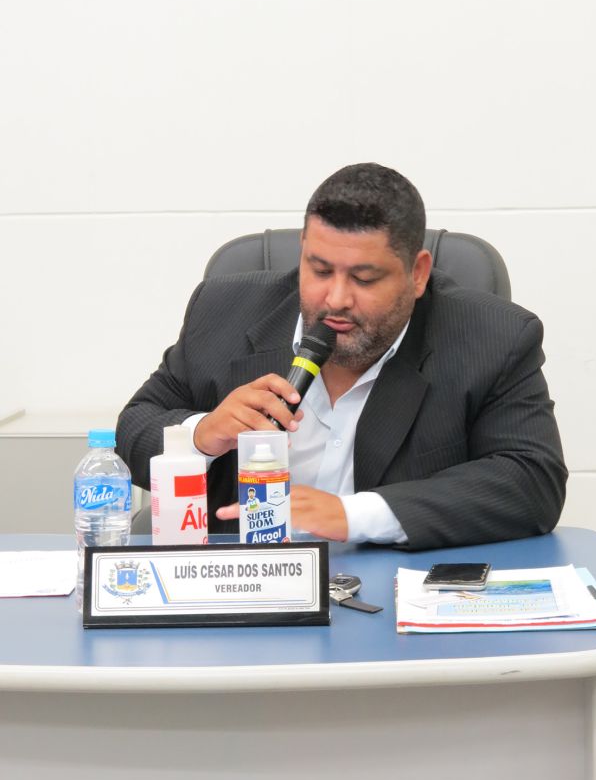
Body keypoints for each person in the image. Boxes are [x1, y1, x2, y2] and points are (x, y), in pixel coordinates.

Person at [116, 163, 567, 550]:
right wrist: (200, 435)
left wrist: (351, 515)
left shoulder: (494, 338)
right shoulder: (223, 311)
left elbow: (532, 480)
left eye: (364, 279)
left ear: (417, 274)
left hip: (390, 595)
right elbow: (133, 429)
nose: (335, 299)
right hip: (242, 589)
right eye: (319, 270)